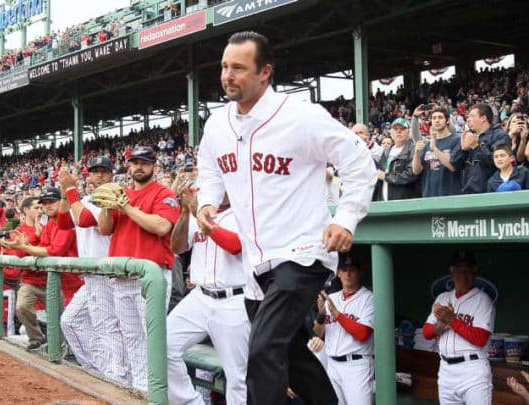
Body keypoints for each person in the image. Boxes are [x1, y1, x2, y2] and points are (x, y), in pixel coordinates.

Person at [196, 31, 376, 405]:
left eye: (239, 68)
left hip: (302, 253)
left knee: (261, 350)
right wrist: (208, 202)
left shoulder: (300, 116)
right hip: (255, 263)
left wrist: (346, 218)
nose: (228, 75)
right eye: (225, 67)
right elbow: (209, 166)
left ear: (265, 73)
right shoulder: (217, 124)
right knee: (293, 359)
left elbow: (358, 160)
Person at [96, 145, 179, 392]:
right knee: (132, 339)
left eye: (144, 162)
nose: (138, 167)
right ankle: (142, 389)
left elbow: (162, 227)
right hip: (123, 277)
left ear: (154, 166)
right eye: (134, 162)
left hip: (150, 277)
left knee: (153, 340)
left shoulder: (164, 193)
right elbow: (104, 229)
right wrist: (107, 205)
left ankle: (165, 393)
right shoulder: (122, 193)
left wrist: (127, 208)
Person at [167, 186, 250, 405]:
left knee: (237, 377)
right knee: (162, 344)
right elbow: (177, 246)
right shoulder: (200, 213)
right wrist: (185, 213)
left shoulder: (245, 212)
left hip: (233, 300)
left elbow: (234, 246)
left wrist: (197, 214)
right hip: (199, 298)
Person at [56, 158, 127, 384]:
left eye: (104, 171)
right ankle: (100, 369)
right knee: (70, 321)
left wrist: (70, 189)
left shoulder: (111, 196)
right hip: (91, 275)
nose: (99, 175)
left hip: (108, 273)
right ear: (87, 176)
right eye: (94, 171)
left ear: (112, 175)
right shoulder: (84, 199)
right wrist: (64, 194)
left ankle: (118, 377)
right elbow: (64, 222)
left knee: (109, 327)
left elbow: (85, 220)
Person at [5, 189, 80, 352]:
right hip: (52, 281)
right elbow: (38, 250)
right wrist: (28, 245)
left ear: (61, 202)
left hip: (73, 282)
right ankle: (52, 347)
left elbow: (54, 251)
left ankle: (66, 354)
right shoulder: (49, 225)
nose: (45, 207)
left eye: (51, 202)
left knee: (67, 322)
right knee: (59, 320)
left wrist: (27, 246)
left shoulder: (65, 221)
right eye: (42, 204)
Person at [422, 251, 495, 405]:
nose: (463, 273)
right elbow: (426, 333)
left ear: (475, 271)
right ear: (452, 271)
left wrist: (452, 321)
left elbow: (481, 339)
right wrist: (440, 325)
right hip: (446, 370)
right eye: (459, 269)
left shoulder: (483, 300)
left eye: (467, 269)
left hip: (473, 370)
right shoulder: (442, 298)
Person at [314, 254, 374, 405]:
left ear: (359, 273)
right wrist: (321, 315)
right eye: (344, 270)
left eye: (352, 270)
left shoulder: (369, 298)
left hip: (356, 365)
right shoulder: (331, 298)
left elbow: (363, 334)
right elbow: (318, 333)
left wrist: (336, 313)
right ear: (338, 273)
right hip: (332, 365)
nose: (348, 274)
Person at [452, 103, 511, 193]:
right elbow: (454, 165)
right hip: (468, 191)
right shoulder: (469, 136)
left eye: (471, 116)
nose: (468, 119)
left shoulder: (499, 135)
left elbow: (496, 162)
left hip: (491, 191)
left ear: (483, 118)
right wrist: (463, 150)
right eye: (467, 117)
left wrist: (476, 147)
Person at [412, 107, 462, 197]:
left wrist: (435, 149)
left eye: (440, 117)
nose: (437, 120)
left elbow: (453, 167)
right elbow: (416, 171)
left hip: (451, 195)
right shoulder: (427, 144)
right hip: (429, 195)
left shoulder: (457, 140)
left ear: (447, 121)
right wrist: (416, 152)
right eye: (434, 118)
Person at [373, 117, 420, 201]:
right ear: (391, 133)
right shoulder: (386, 151)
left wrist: (386, 176)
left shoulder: (413, 149)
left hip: (404, 202)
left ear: (408, 132)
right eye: (395, 129)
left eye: (402, 129)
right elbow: (379, 175)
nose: (399, 131)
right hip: (384, 200)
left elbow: (410, 175)